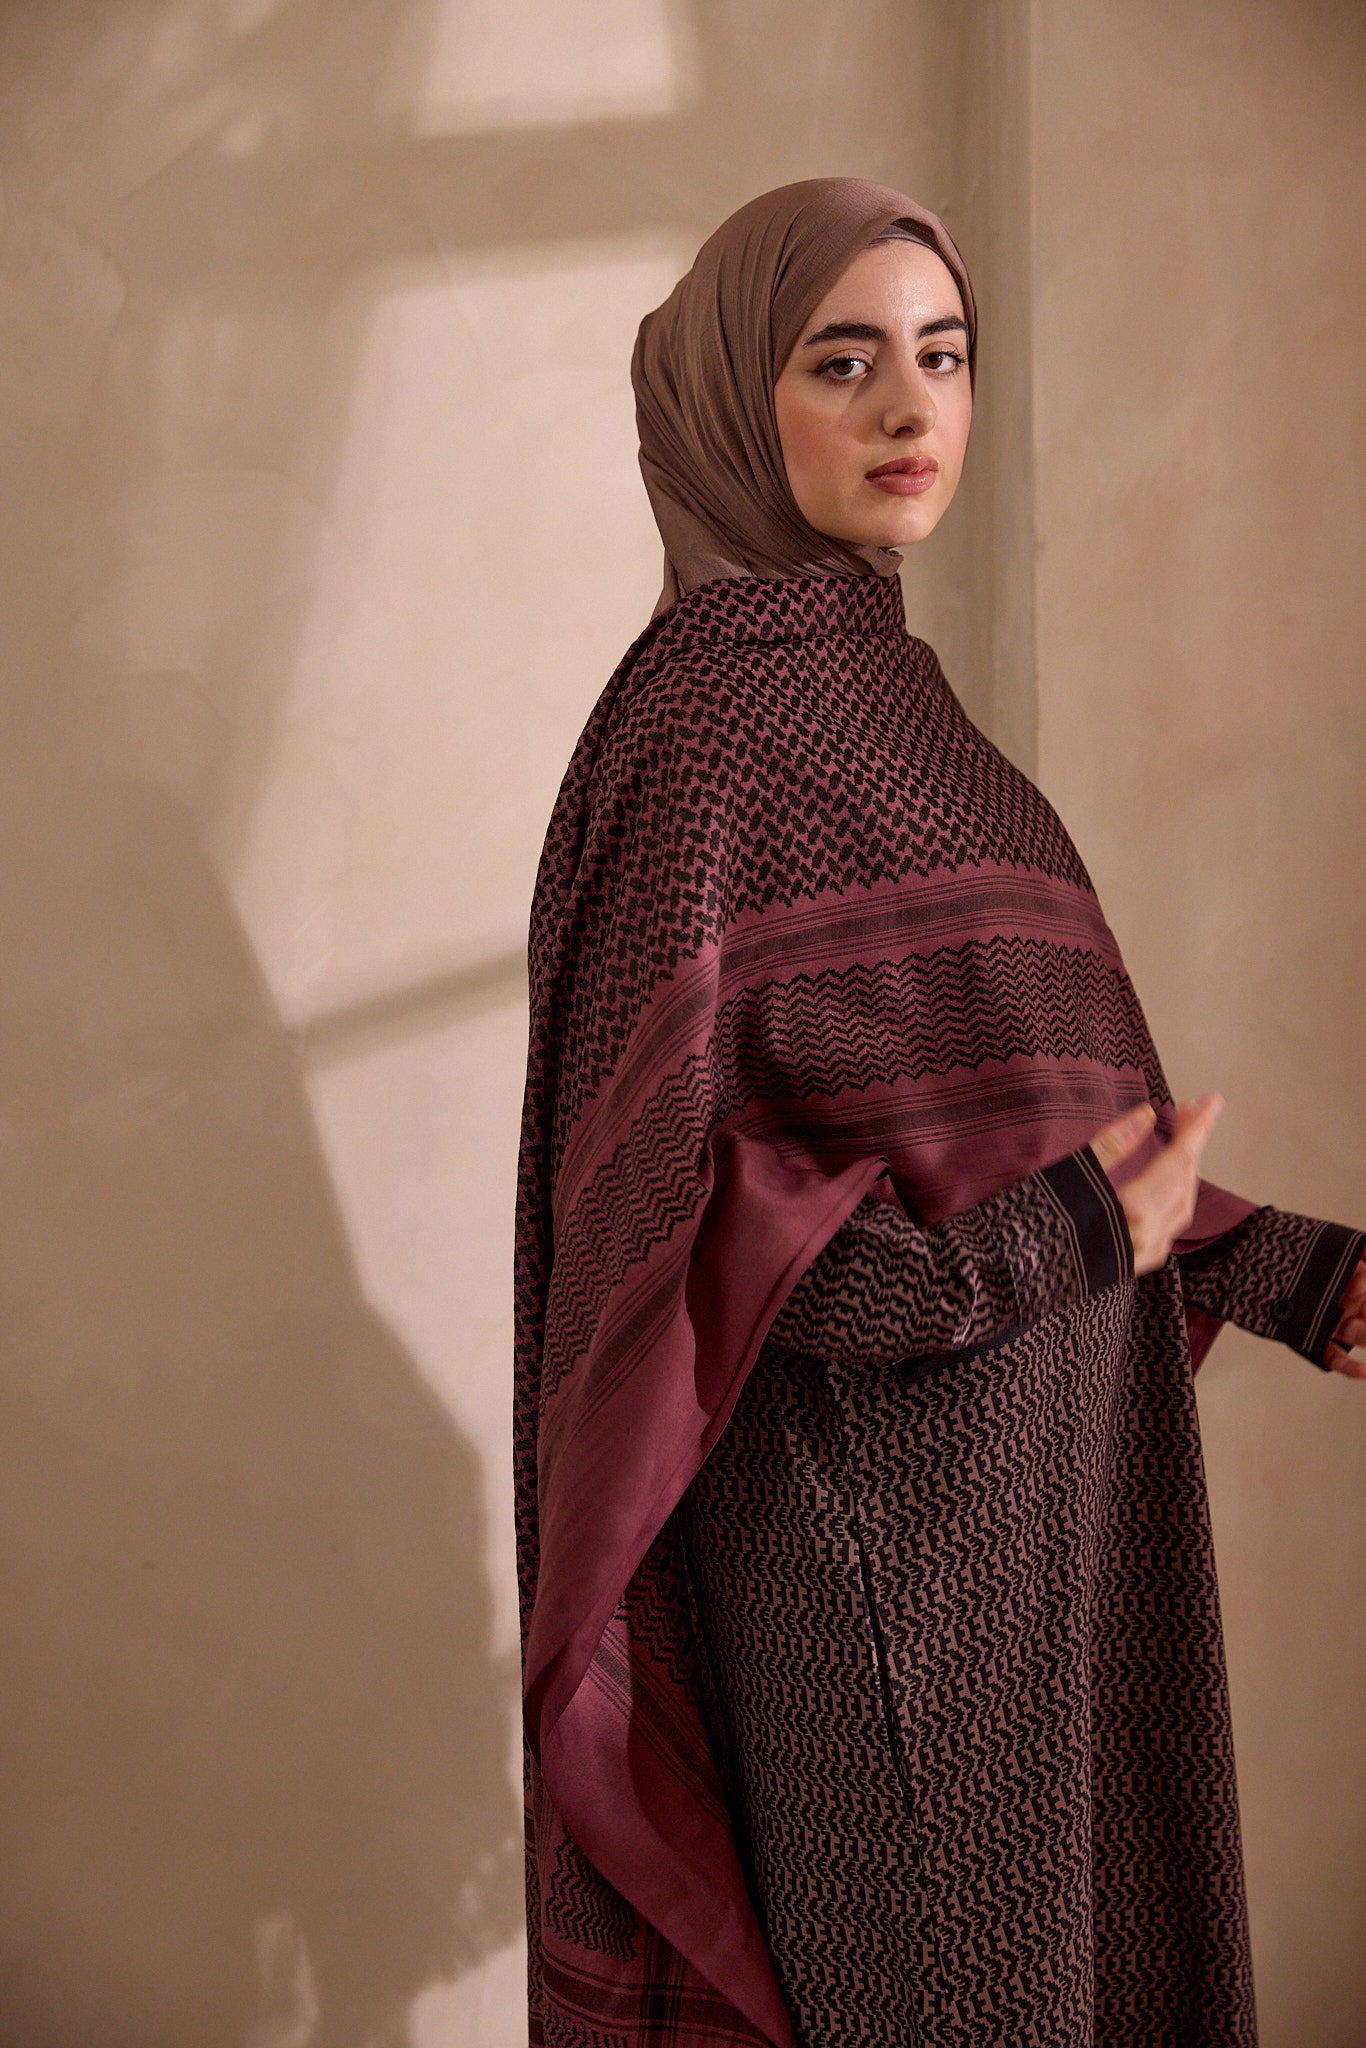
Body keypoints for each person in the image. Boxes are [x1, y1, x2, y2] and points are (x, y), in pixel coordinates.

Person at [513, 178, 1366, 2048]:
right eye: (843, 362)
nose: (912, 411)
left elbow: (1035, 1126)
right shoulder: (713, 734)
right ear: (739, 402)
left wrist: (1299, 1275)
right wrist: (1057, 1239)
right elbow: (697, 1232)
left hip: (1052, 1503)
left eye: (943, 356)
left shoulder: (896, 707)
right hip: (873, 1553)